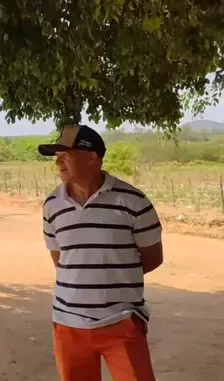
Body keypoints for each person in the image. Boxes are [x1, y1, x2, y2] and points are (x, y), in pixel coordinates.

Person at [38, 125, 164, 381]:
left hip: (122, 321)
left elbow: (153, 257)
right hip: (68, 324)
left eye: (64, 155)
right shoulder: (52, 205)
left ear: (91, 156)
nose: (57, 162)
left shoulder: (133, 201)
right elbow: (61, 260)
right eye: (56, 156)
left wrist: (114, 275)